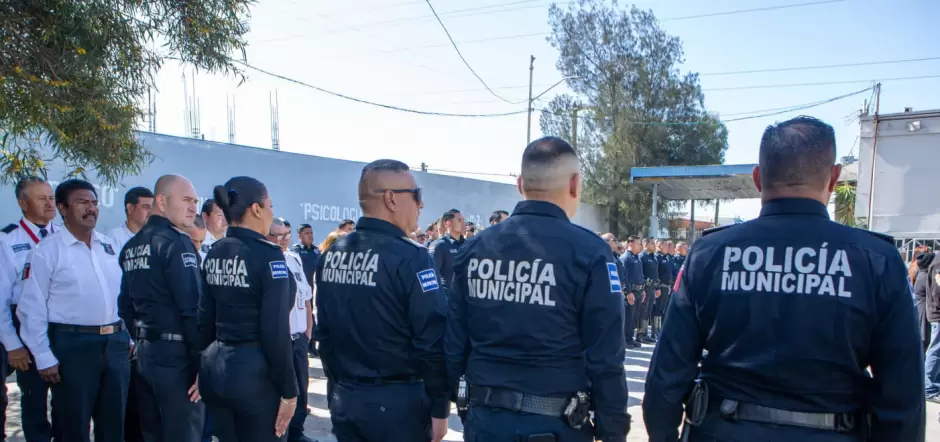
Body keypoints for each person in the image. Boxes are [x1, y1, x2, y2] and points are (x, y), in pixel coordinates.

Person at [643, 116, 926, 442]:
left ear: (758, 178)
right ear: (833, 179)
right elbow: (904, 396)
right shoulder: (876, 260)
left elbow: (667, 374)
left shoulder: (710, 254)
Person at [446, 136, 630, 442]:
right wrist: (613, 430)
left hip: (485, 421)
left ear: (520, 183)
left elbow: (454, 343)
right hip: (556, 425)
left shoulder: (475, 248)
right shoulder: (590, 252)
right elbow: (606, 354)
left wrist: (465, 405)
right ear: (574, 184)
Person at [315, 159, 449, 442]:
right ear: (391, 198)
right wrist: (440, 408)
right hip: (397, 407)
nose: (421, 205)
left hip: (347, 399)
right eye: (416, 195)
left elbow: (324, 334)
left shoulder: (332, 253)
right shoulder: (412, 257)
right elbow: (431, 340)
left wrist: (340, 390)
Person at [18, 179, 131, 442]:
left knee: (114, 425)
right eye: (82, 202)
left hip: (114, 344)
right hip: (73, 346)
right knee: (73, 426)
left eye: (94, 203)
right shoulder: (47, 251)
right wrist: (44, 356)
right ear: (62, 208)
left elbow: (124, 296)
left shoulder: (108, 246)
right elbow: (31, 308)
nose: (91, 209)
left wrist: (128, 337)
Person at [198, 176, 298, 442]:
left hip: (216, 371)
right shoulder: (269, 255)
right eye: (270, 207)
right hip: (255, 377)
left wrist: (201, 368)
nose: (271, 213)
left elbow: (204, 319)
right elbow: (276, 331)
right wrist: (289, 391)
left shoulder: (215, 251)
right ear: (256, 209)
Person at [118, 174, 205, 442]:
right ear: (161, 201)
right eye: (186, 200)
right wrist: (202, 365)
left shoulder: (132, 245)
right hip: (177, 360)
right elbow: (192, 309)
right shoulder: (176, 243)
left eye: (195, 201)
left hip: (146, 356)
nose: (193, 207)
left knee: (152, 433)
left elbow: (125, 307)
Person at [0, 176, 57, 442]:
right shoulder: (8, 240)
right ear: (23, 204)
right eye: (41, 198)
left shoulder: (66, 236)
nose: (49, 203)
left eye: (51, 197)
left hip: (61, 325)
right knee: (34, 400)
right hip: (23, 326)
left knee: (67, 401)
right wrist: (13, 344)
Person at [268, 217, 315, 442]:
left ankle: (297, 432)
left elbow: (306, 298)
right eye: (278, 236)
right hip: (280, 339)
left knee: (301, 388)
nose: (283, 241)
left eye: (286, 236)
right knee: (283, 392)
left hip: (299, 338)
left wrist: (307, 331)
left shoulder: (294, 258)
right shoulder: (267, 260)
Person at [428, 208, 465, 298]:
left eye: (463, 220)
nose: (463, 223)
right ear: (448, 223)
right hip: (447, 300)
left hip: (465, 300)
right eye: (459, 220)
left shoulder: (467, 245)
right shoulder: (439, 246)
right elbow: (431, 275)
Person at [108, 186, 154, 251]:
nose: (151, 212)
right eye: (146, 207)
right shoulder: (114, 237)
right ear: (130, 208)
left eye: (152, 208)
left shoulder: (156, 237)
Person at [620, 236, 646, 349]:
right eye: (638, 243)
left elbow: (640, 275)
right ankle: (626, 339)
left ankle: (631, 338)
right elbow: (624, 277)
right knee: (629, 317)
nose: (640, 246)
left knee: (634, 317)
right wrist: (628, 292)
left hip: (639, 291)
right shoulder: (625, 258)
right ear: (630, 244)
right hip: (631, 292)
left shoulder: (636, 257)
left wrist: (643, 290)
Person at [638, 238, 660, 344]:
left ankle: (645, 333)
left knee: (648, 311)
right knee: (643, 311)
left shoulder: (653, 257)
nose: (654, 245)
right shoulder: (642, 256)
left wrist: (657, 287)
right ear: (646, 244)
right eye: (652, 243)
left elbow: (656, 274)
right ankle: (640, 334)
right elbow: (640, 273)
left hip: (652, 287)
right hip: (645, 287)